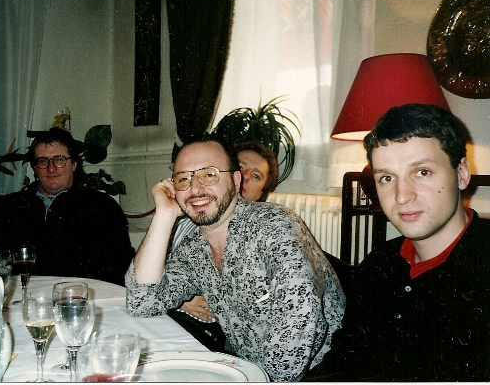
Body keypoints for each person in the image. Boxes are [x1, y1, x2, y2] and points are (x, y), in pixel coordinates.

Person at [125, 133, 345, 381]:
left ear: (236, 180)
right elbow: (142, 302)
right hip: (249, 371)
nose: (195, 188)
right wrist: (164, 214)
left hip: (324, 374)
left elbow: (295, 339)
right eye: (183, 179)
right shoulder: (194, 247)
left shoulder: (272, 226)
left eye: (209, 174)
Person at [304, 103, 490, 381]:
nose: (402, 195)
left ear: (461, 173)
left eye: (422, 172)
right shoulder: (379, 264)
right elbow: (345, 359)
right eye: (387, 178)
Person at [0, 128, 135, 286]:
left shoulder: (102, 208)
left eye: (59, 159)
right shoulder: (6, 208)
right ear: (35, 167)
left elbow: (121, 269)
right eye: (42, 161)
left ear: (74, 164)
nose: (51, 168)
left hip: (81, 294)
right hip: (21, 295)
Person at [168, 140, 279, 352]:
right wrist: (179, 299)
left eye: (256, 176)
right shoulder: (185, 225)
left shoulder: (267, 233)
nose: (246, 177)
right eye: (241, 167)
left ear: (260, 194)